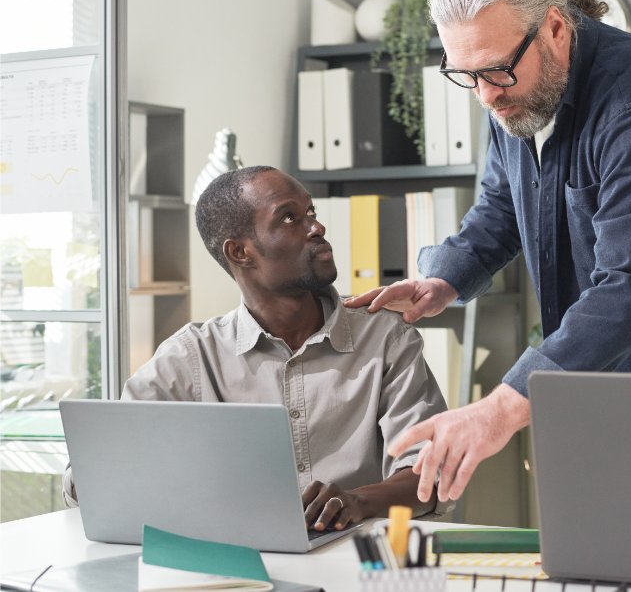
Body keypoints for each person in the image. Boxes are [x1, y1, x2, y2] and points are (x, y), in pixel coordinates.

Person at [346, 0, 631, 504]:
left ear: (555, 29)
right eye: (466, 75)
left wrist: (500, 409)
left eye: (496, 71)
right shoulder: (508, 88)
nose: (486, 95)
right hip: (596, 378)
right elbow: (502, 205)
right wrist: (440, 281)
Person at [64, 166, 448, 531]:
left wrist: (357, 501)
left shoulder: (385, 337)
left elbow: (428, 473)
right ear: (240, 252)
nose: (317, 227)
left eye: (311, 213)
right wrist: (103, 474)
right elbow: (91, 474)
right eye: (289, 218)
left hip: (358, 559)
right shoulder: (190, 356)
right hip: (235, 560)